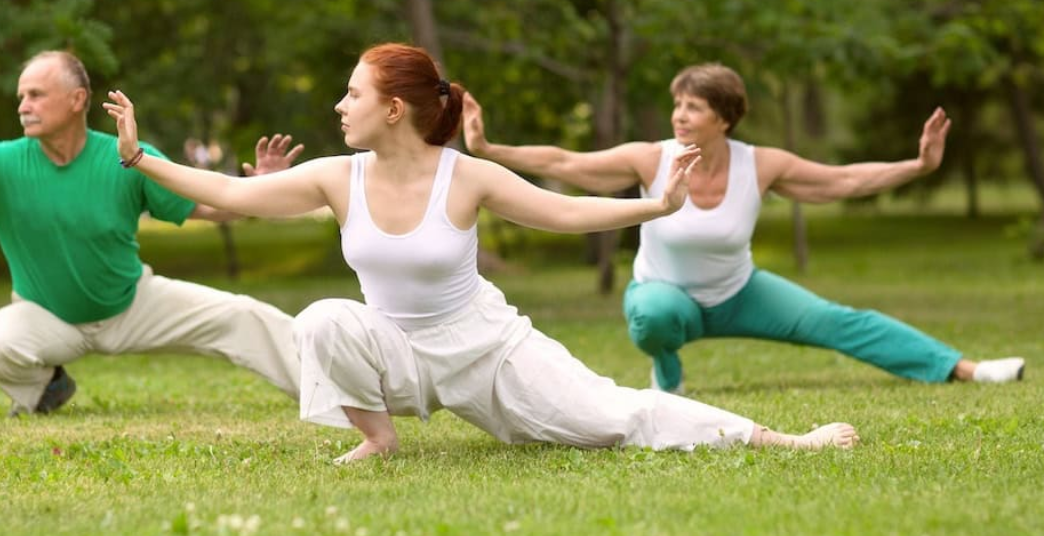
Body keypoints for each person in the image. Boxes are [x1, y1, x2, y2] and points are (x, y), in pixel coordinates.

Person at [104, 43, 859, 463]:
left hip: (487, 351)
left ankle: (781, 439)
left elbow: (565, 211)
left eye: (352, 94)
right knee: (322, 319)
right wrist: (140, 158)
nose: (339, 105)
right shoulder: (337, 177)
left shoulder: (464, 176)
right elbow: (229, 193)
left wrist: (655, 206)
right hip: (397, 350)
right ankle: (379, 439)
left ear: (392, 108)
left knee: (613, 418)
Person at [463, 62, 1025, 394]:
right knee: (654, 316)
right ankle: (668, 373)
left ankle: (965, 369)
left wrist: (919, 167)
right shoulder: (650, 158)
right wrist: (488, 148)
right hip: (667, 297)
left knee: (842, 322)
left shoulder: (761, 165)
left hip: (740, 293)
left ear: (725, 118)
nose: (679, 115)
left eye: (694, 107)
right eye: (678, 104)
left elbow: (844, 180)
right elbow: (565, 162)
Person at [0, 51, 304, 416]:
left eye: (36, 94)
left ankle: (327, 392)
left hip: (133, 303)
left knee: (244, 315)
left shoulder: (127, 156)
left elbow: (208, 206)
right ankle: (47, 387)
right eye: (21, 96)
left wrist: (262, 188)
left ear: (77, 99)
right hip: (47, 317)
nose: (23, 105)